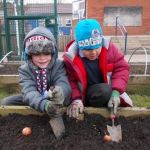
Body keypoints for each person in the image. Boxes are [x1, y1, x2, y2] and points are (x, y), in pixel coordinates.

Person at [63, 19, 133, 118]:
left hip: (106, 91)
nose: (93, 52)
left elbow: (122, 69)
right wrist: (76, 99)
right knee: (104, 91)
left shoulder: (111, 50)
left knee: (107, 93)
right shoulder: (71, 58)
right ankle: (90, 110)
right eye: (88, 50)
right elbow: (70, 80)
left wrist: (116, 92)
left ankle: (106, 109)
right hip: (86, 94)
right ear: (80, 46)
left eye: (97, 47)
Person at [1, 26, 72, 117]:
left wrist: (60, 91)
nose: (42, 58)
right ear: (29, 55)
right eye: (36, 54)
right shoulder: (24, 69)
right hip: (37, 99)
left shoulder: (58, 65)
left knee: (64, 98)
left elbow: (63, 83)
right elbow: (29, 92)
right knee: (6, 102)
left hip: (54, 100)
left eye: (46, 53)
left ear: (53, 53)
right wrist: (45, 104)